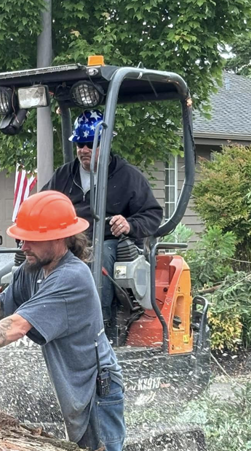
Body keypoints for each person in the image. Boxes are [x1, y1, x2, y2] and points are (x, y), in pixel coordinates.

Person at [0, 190, 125, 451]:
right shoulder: (34, 269)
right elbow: (2, 302)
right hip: (77, 386)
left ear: (58, 238)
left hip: (96, 389)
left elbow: (17, 325)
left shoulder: (71, 277)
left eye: (32, 240)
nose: (23, 247)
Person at [41, 109, 163, 331]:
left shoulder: (127, 176)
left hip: (111, 243)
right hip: (70, 241)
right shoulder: (64, 175)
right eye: (80, 144)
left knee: (101, 252)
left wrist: (129, 224)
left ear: (105, 143)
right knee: (35, 254)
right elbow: (41, 203)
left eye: (90, 143)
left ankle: (101, 326)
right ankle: (40, 321)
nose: (84, 149)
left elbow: (152, 214)